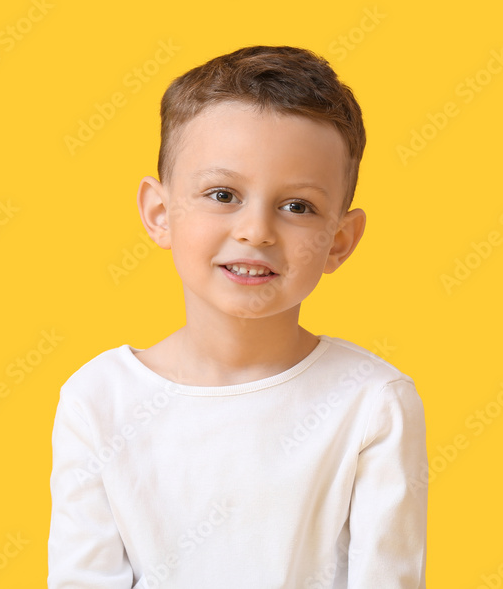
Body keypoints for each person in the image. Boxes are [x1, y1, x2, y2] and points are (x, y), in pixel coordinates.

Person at [47, 46, 428, 588]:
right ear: (159, 214)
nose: (256, 231)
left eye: (297, 206)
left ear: (339, 241)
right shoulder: (98, 400)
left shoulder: (373, 404)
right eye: (222, 194)